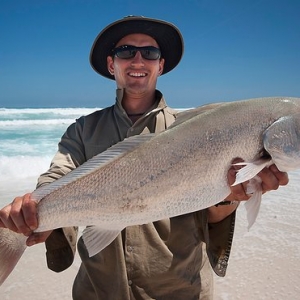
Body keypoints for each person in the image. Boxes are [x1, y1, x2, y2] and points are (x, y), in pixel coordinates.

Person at [0, 16, 288, 299]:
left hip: (180, 291)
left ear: (160, 65)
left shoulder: (193, 128)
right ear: (112, 64)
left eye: (149, 53)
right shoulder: (83, 130)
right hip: (98, 291)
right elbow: (58, 176)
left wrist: (232, 195)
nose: (138, 60)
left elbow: (212, 215)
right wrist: (29, 210)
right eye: (126, 51)